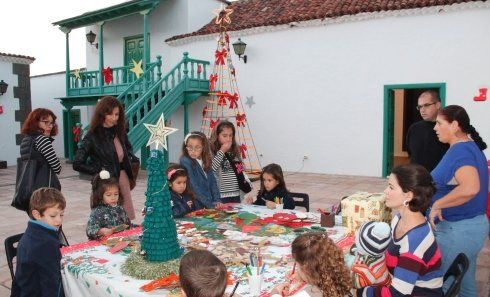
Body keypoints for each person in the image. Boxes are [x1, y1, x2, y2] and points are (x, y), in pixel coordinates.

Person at [358, 164, 443, 296]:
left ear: (408, 196)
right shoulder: (399, 219)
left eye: (391, 187)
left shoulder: (415, 241)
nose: (385, 191)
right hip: (399, 283)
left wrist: (361, 292)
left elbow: (397, 294)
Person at [429, 105, 488, 297]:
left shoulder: (460, 150)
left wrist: (438, 204)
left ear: (454, 125)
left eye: (439, 123)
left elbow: (471, 188)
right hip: (470, 227)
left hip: (459, 230)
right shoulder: (467, 146)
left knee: (439, 285)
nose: (435, 127)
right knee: (465, 285)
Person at [73, 96, 139, 220]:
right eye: (110, 114)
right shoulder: (92, 135)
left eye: (117, 114)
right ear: (102, 114)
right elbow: (77, 163)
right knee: (107, 220)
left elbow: (128, 149)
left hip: (122, 179)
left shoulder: (119, 131)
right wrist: (99, 171)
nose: (114, 118)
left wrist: (132, 161)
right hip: (105, 184)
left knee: (125, 218)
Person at [11, 188, 66, 297]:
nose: (59, 220)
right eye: (53, 216)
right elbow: (52, 283)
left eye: (62, 215)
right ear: (37, 214)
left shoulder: (32, 232)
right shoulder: (45, 243)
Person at [270, 232, 351, 297]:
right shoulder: (345, 281)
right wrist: (304, 276)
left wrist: (275, 293)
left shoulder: (307, 294)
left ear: (305, 269)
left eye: (297, 265)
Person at [16, 108, 61, 212]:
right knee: (51, 222)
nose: (50, 126)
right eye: (45, 122)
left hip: (30, 191)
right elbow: (57, 167)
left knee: (37, 221)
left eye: (52, 123)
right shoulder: (42, 139)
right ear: (35, 122)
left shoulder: (26, 140)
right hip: (45, 192)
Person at [406, 91, 449, 172]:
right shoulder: (414, 128)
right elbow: (410, 153)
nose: (422, 110)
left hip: (440, 180)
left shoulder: (449, 127)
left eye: (426, 105)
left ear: (438, 105)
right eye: (420, 107)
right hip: (416, 178)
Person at [210, 121, 252, 203]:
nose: (228, 139)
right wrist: (222, 151)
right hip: (221, 195)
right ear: (217, 136)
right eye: (224, 136)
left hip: (236, 194)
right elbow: (211, 169)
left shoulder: (234, 151)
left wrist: (246, 186)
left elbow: (240, 171)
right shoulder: (212, 151)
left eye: (230, 135)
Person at [180, 132, 221, 209]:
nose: (193, 151)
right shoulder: (185, 161)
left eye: (197, 147)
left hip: (210, 203)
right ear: (185, 147)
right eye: (190, 147)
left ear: (203, 147)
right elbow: (193, 186)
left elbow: (213, 182)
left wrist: (217, 200)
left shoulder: (206, 160)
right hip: (196, 204)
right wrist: (210, 205)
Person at [86, 170, 130, 240]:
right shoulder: (97, 211)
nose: (113, 197)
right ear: (100, 195)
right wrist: (100, 231)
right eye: (108, 195)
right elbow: (90, 230)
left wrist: (138, 227)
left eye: (116, 194)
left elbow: (127, 224)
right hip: (103, 243)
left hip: (119, 240)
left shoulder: (120, 208)